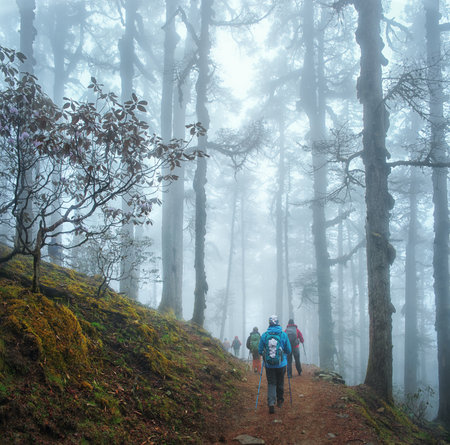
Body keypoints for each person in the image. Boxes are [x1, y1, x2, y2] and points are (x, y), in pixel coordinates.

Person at [258, 315, 291, 413]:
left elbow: (260, 351)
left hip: (269, 365)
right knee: (280, 382)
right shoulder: (283, 335)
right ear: (277, 322)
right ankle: (280, 400)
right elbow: (288, 350)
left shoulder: (264, 335)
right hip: (281, 364)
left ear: (269, 323)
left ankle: (271, 403)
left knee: (271, 383)